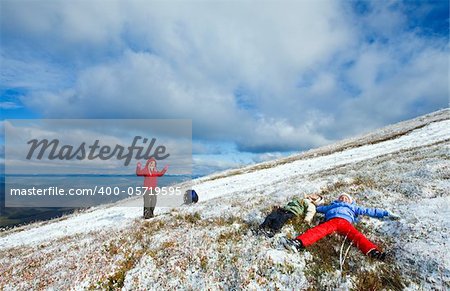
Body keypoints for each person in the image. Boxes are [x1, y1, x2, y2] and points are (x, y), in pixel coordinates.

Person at [283, 193, 399, 261]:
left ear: (350, 201)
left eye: (346, 198)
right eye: (341, 197)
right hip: (332, 221)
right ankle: (298, 243)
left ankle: (373, 252)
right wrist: (307, 203)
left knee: (357, 236)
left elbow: (370, 211)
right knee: (317, 231)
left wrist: (385, 213)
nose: (343, 198)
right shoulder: (330, 207)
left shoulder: (353, 207)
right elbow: (316, 209)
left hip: (345, 223)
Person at [258, 194, 324, 237]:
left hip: (293, 212)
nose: (314, 194)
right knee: (272, 215)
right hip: (284, 209)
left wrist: (307, 219)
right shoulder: (301, 199)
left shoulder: (311, 204)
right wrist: (281, 207)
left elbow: (311, 211)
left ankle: (273, 231)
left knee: (282, 219)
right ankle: (263, 227)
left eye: (316, 196)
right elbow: (290, 204)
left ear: (316, 200)